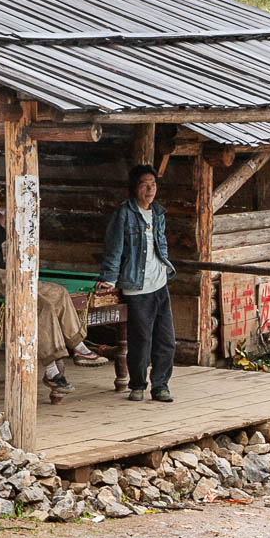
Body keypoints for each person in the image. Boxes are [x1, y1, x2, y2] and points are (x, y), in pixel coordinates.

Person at [0, 176, 102, 392]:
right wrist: (0, 228)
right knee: (42, 306)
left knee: (59, 294)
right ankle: (52, 371)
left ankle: (79, 347)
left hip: (3, 276)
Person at [96, 164, 178, 403]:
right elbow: (114, 248)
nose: (150, 188)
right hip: (137, 287)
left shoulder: (158, 213)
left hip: (160, 284)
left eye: (153, 183)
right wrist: (109, 279)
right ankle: (138, 384)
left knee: (166, 340)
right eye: (144, 183)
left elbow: (159, 248)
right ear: (135, 187)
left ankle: (161, 385)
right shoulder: (125, 214)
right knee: (141, 339)